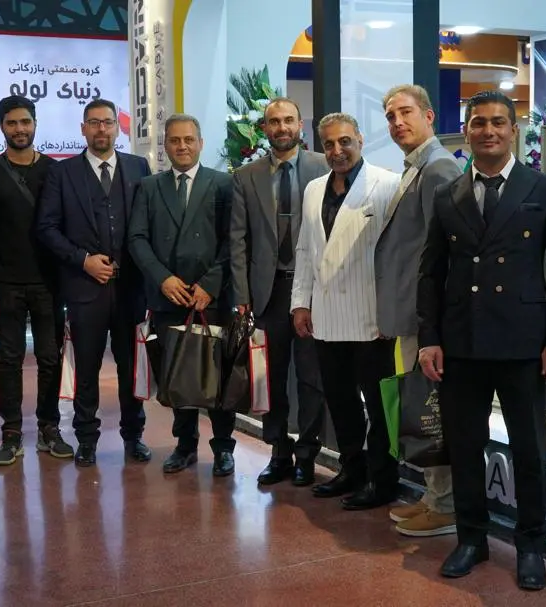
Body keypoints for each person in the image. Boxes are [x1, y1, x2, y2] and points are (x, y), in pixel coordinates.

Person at [417, 90, 546, 590]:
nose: (488, 131)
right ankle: (472, 539)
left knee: (530, 450)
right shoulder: (448, 194)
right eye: (478, 122)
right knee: (465, 447)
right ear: (466, 131)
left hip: (524, 345)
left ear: (514, 130)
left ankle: (531, 546)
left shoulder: (544, 188)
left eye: (498, 123)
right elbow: (430, 274)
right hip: (461, 343)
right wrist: (429, 338)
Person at [289, 112, 401, 510]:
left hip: (372, 317)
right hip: (327, 315)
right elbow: (306, 250)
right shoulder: (314, 189)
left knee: (379, 404)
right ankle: (352, 469)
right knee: (340, 400)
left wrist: (393, 313)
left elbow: (397, 258)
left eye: (345, 142)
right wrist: (300, 302)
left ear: (360, 141)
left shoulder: (387, 185)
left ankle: (383, 480)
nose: (337, 151)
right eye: (329, 144)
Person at [36, 98, 152, 467]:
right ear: (83, 128)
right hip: (84, 289)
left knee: (130, 366)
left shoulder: (138, 167)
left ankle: (134, 436)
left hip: (131, 289)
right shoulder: (62, 173)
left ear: (117, 128)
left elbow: (149, 224)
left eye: (107, 122)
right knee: (86, 369)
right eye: (94, 122)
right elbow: (46, 228)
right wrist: (83, 261)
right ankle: (86, 439)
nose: (101, 129)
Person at [128, 113, 236, 477]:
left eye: (189, 139)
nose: (182, 146)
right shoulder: (149, 187)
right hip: (168, 298)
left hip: (212, 299)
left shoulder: (224, 184)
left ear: (201, 143)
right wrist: (163, 279)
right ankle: (185, 445)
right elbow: (137, 239)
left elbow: (233, 241)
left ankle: (224, 448)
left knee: (218, 377)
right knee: (176, 375)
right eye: (175, 140)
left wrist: (211, 284)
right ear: (166, 146)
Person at [229, 96, 328, 487]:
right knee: (269, 377)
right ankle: (279, 451)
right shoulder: (246, 176)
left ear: (300, 125)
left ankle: (307, 453)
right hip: (267, 293)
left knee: (311, 377)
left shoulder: (323, 166)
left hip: (314, 294)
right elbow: (238, 240)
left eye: (288, 120)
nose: (281, 127)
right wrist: (242, 295)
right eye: (274, 121)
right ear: (264, 128)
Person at [376, 85, 461, 536]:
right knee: (422, 406)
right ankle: (433, 496)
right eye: (391, 116)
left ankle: (445, 506)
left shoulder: (439, 167)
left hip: (426, 317)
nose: (397, 123)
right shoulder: (416, 167)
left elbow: (443, 253)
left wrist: (433, 327)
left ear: (428, 115)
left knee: (434, 410)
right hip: (411, 314)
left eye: (405, 113)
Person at [0, 95, 72, 466]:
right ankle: (11, 433)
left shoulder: (55, 171)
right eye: (12, 123)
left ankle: (49, 427)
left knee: (50, 358)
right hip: (5, 283)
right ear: (2, 126)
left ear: (35, 124)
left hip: (49, 282)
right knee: (10, 359)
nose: (20, 129)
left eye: (25, 122)